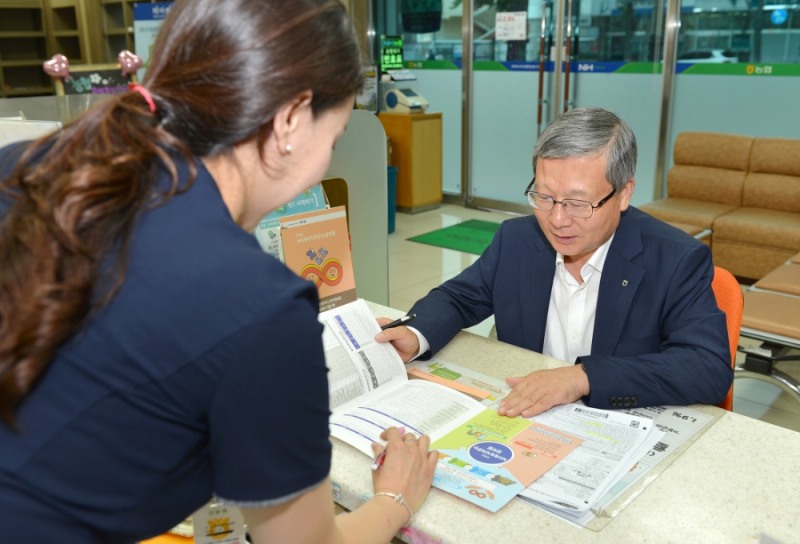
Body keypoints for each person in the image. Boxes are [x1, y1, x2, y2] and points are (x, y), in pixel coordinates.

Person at [0, 1, 437, 543]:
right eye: (335, 136)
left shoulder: (25, 165)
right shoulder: (259, 304)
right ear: (291, 119)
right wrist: (395, 499)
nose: (326, 161)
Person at [377, 107, 732, 418]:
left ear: (624, 193)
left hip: (617, 422)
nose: (558, 220)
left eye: (578, 203)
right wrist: (415, 334)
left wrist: (582, 378)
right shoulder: (518, 239)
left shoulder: (675, 259)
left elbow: (707, 367)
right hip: (528, 419)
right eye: (544, 197)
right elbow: (459, 298)